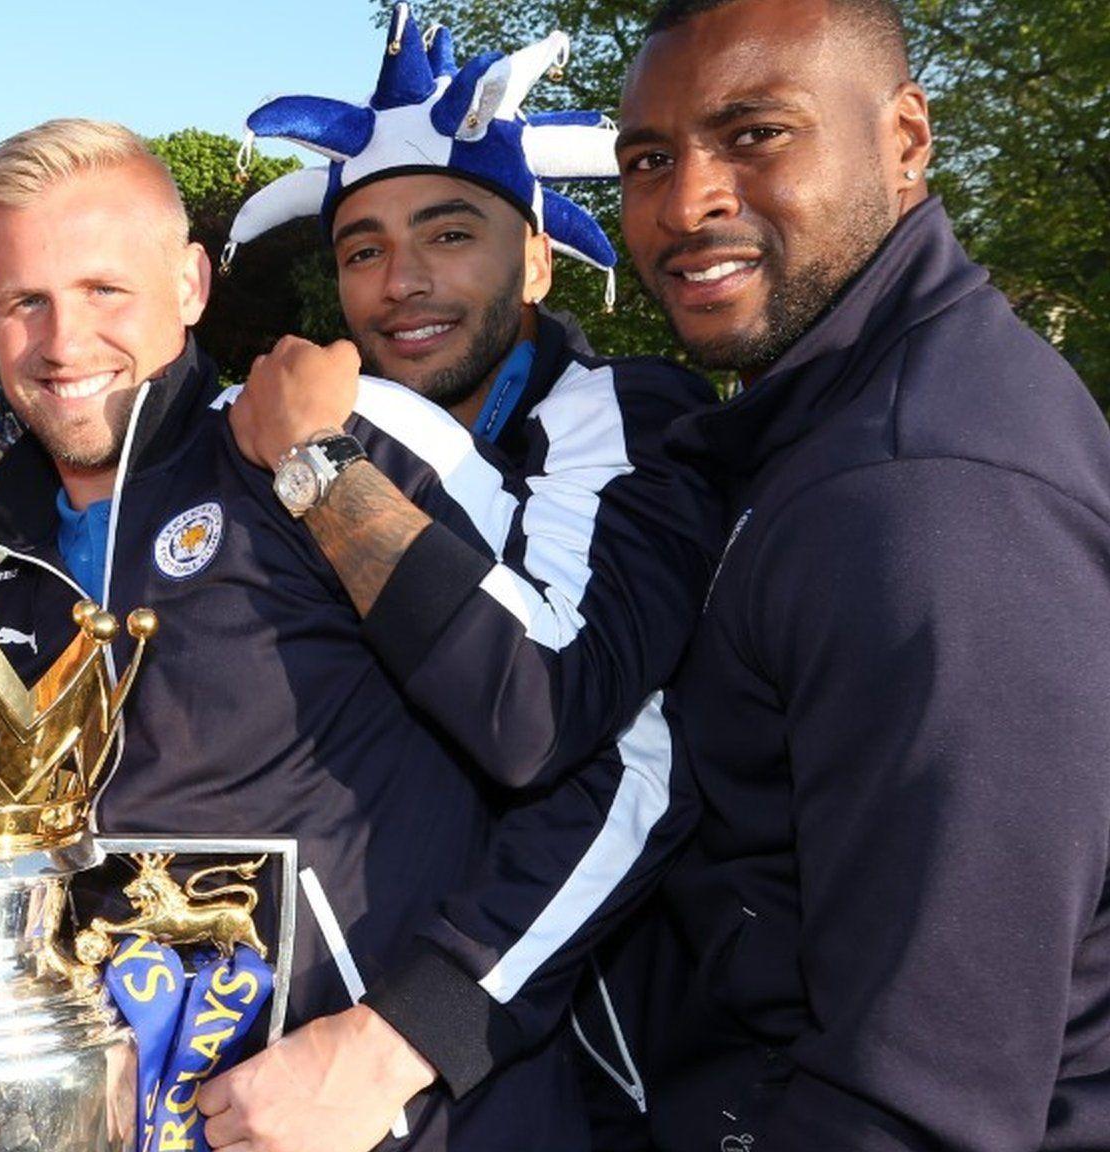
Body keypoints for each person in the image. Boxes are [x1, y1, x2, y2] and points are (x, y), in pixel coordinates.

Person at [0, 107, 708, 1152]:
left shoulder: (347, 445)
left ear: (188, 285)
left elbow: (624, 754)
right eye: (24, 301)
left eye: (102, 290)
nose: (64, 340)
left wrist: (405, 1038)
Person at [184, 9, 727, 1149]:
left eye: (448, 235)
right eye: (361, 250)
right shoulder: (360, 427)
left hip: (573, 1073)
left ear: (534, 254)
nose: (401, 284)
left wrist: (316, 469)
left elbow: (549, 717)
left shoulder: (626, 419)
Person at [610, 1, 1110, 1148]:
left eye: (755, 134)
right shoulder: (823, 423)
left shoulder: (927, 496)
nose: (686, 203)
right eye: (647, 158)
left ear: (902, 140)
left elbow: (920, 1098)